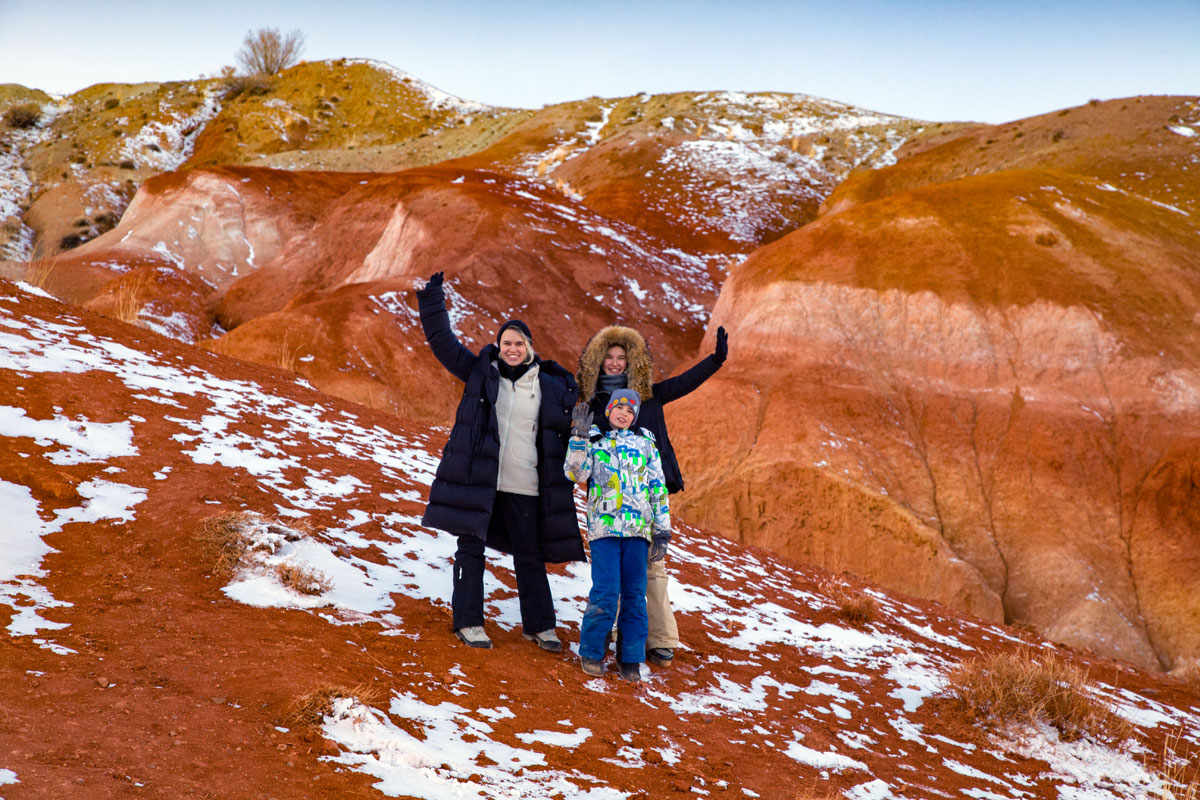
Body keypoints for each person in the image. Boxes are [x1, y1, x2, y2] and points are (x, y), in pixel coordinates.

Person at [416, 271, 583, 652]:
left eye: (519, 343)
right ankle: (468, 622)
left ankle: (540, 626)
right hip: (481, 481)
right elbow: (443, 342)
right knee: (471, 551)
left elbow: (577, 419)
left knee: (530, 555)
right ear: (498, 345)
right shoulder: (480, 372)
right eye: (506, 342)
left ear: (529, 346)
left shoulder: (551, 386)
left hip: (524, 483)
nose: (512, 349)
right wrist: (431, 301)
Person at [576, 324, 728, 666]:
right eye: (609, 358)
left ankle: (658, 640)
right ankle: (611, 639)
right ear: (598, 362)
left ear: (633, 363)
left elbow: (686, 382)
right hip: (607, 507)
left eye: (622, 358)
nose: (615, 363)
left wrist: (716, 360)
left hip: (646, 497)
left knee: (652, 573)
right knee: (612, 580)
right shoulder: (591, 402)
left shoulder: (650, 395)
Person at [564, 389, 670, 682]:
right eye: (618, 408)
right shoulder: (595, 440)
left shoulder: (646, 443)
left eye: (629, 410)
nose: (623, 413)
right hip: (604, 531)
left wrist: (662, 530)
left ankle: (630, 657)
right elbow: (575, 475)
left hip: (638, 532)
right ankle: (592, 651)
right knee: (606, 592)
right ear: (609, 410)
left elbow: (658, 488)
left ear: (634, 416)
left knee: (635, 596)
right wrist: (579, 438)